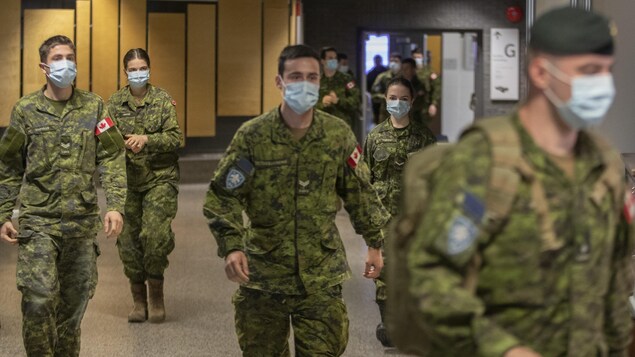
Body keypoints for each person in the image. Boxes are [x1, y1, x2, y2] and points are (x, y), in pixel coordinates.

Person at [402, 7, 633, 356]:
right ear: (541, 72)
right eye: (588, 71)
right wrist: (504, 349)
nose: (602, 85)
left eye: (605, 72)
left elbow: (615, 277)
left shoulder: (604, 163)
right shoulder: (484, 161)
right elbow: (431, 278)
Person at [203, 44, 390, 356]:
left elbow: (360, 193)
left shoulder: (336, 135)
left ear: (319, 82)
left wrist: (374, 244)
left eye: (312, 77)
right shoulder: (254, 137)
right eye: (296, 76)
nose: (304, 83)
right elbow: (223, 195)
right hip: (263, 275)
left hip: (321, 274)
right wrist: (231, 244)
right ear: (280, 82)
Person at [0, 35, 126, 357]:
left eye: (70, 56)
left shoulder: (95, 106)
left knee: (73, 307)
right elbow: (9, 165)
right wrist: (3, 212)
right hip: (39, 221)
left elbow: (111, 156)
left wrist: (115, 205)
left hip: (80, 224)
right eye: (58, 58)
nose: (65, 63)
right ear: (44, 66)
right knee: (39, 299)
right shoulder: (26, 110)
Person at [107, 48, 182, 324]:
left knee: (154, 236)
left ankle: (156, 295)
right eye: (133, 69)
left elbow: (176, 138)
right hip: (127, 181)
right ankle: (138, 299)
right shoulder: (113, 103)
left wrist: (147, 139)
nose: (138, 73)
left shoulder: (162, 100)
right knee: (128, 242)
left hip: (159, 177)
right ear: (125, 72)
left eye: (143, 68)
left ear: (149, 69)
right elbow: (105, 143)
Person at [362, 76, 436, 347]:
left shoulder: (424, 137)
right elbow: (365, 180)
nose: (398, 103)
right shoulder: (375, 136)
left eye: (404, 99)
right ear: (385, 100)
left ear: (412, 102)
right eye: (393, 98)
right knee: (384, 272)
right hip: (382, 217)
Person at [315, 46, 361, 129]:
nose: (334, 60)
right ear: (322, 61)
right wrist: (321, 103)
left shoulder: (347, 80)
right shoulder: (317, 81)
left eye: (335, 58)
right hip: (322, 127)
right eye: (330, 58)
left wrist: (338, 101)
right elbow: (309, 105)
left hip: (343, 127)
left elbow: (356, 102)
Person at [371, 53, 402, 124]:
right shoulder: (382, 77)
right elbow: (374, 94)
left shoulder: (405, 77)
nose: (393, 63)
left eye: (396, 61)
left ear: (401, 63)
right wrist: (386, 97)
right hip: (385, 114)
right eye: (391, 61)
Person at [411, 48, 441, 122]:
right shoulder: (408, 70)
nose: (417, 59)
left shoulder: (429, 71)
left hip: (424, 106)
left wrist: (433, 104)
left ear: (422, 58)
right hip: (410, 106)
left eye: (419, 57)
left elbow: (436, 87)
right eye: (415, 57)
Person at [367, 55, 389, 124]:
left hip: (387, 100)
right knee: (377, 117)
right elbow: (368, 86)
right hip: (376, 100)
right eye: (376, 61)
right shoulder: (371, 73)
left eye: (379, 60)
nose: (378, 62)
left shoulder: (386, 72)